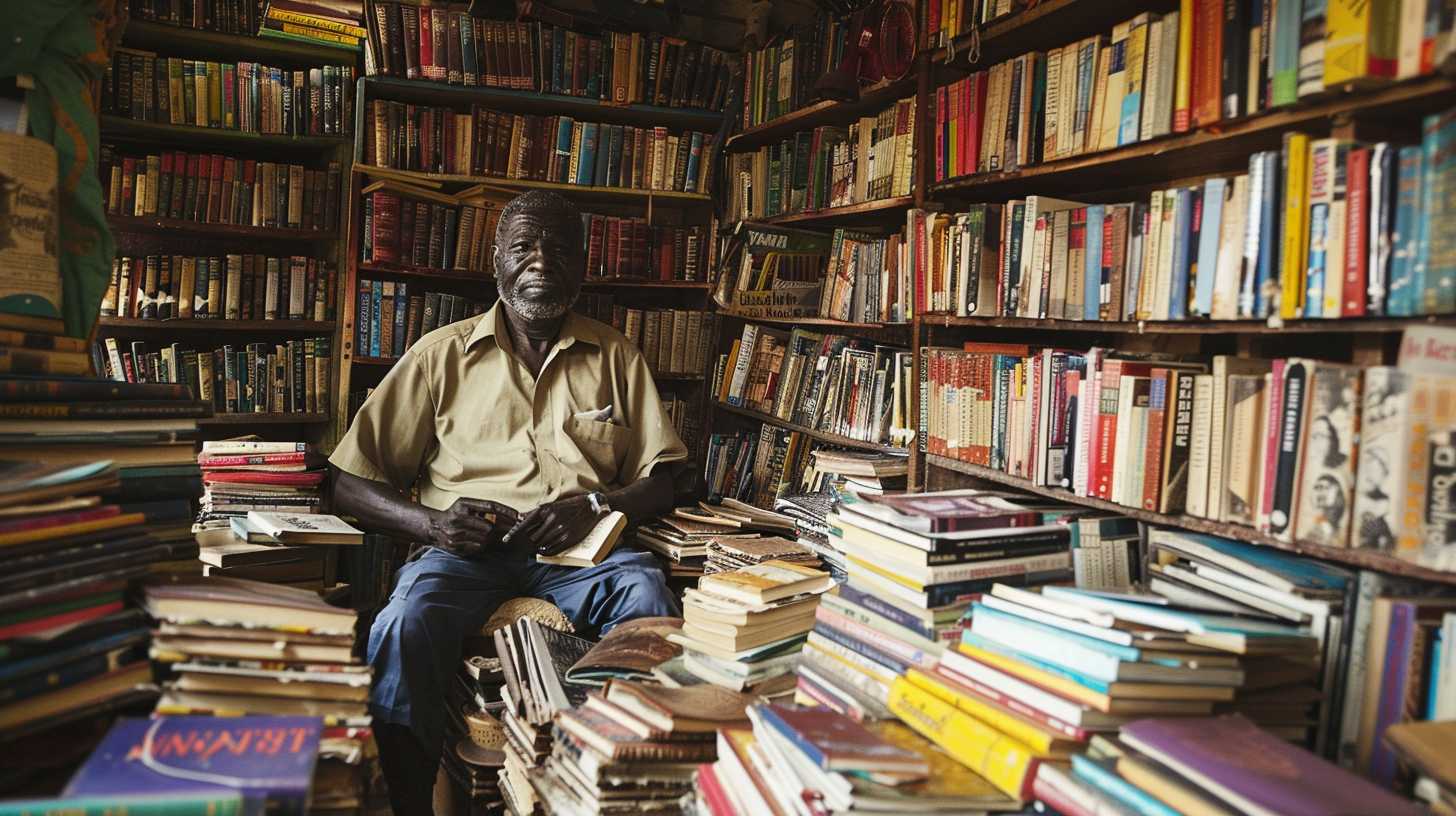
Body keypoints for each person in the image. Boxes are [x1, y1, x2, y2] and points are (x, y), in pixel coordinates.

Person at [328, 190, 687, 813]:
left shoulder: (616, 356)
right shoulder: (440, 355)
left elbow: (668, 478)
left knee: (651, 599)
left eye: (558, 249)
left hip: (583, 557)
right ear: (497, 262)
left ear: (581, 264)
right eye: (523, 246)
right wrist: (434, 524)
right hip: (464, 556)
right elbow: (346, 482)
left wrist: (597, 506)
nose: (540, 262)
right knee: (401, 624)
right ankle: (409, 802)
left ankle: (608, 789)